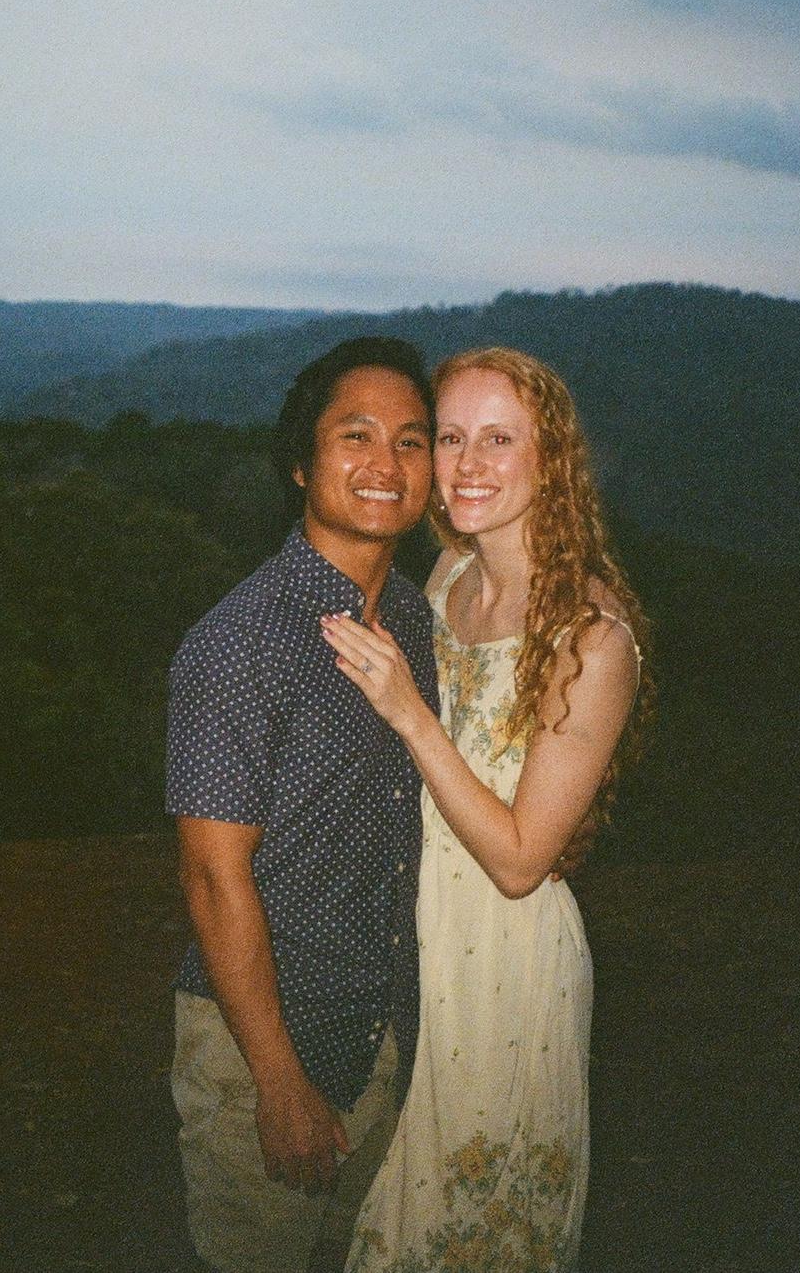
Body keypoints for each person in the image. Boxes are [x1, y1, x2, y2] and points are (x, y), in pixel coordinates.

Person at [325, 347, 652, 1273]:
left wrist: (407, 710)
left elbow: (520, 860)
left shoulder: (592, 638)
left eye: (499, 440)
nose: (467, 465)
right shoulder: (447, 582)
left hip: (504, 969)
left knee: (464, 1235)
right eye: (454, 438)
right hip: (411, 939)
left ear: (551, 462)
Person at [166, 337, 441, 1273]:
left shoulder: (412, 622)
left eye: (412, 442)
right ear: (300, 461)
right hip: (266, 1046)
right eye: (354, 435)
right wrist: (276, 1081)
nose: (385, 465)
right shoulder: (243, 642)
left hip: (385, 1037)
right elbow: (212, 874)